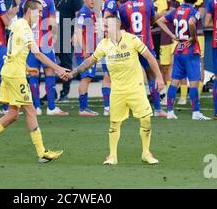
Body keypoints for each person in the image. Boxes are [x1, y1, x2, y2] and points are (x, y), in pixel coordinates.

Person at [0, 0, 71, 164]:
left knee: (12, 114)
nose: (40, 14)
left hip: (11, 71)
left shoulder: (18, 25)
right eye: (38, 11)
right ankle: (42, 152)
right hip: (15, 75)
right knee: (31, 111)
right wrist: (58, 68)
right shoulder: (24, 27)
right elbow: (37, 53)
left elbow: (14, 51)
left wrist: (26, 67)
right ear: (29, 11)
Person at [69, 15, 164, 165]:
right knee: (114, 123)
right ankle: (112, 156)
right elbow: (89, 61)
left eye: (107, 26)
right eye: (104, 26)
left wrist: (159, 77)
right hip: (117, 90)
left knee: (146, 119)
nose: (104, 29)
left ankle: (146, 153)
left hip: (136, 88)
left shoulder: (132, 39)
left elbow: (150, 57)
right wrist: (73, 73)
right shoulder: (104, 44)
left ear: (116, 26)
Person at [157, 0, 211, 121]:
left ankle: (170, 111)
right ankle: (196, 112)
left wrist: (171, 35)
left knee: (174, 81)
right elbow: (192, 22)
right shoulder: (195, 11)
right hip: (191, 50)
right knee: (193, 82)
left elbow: (159, 21)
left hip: (179, 49)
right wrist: (193, 37)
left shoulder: (176, 11)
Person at [19, 0, 68, 116]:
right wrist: (54, 37)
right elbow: (52, 22)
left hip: (30, 42)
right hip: (45, 42)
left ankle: (36, 107)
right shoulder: (48, 1)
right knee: (50, 72)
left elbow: (21, 22)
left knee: (33, 74)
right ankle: (51, 107)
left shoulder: (25, 2)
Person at [120, 0, 167, 117]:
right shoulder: (147, 3)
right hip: (146, 45)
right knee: (151, 75)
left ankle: (131, 108)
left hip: (131, 45)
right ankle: (157, 109)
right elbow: (153, 20)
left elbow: (124, 26)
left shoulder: (123, 7)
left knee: (130, 77)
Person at [48, 0, 84, 102]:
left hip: (67, 32)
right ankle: (50, 92)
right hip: (52, 34)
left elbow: (78, 15)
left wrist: (75, 33)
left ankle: (65, 92)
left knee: (67, 64)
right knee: (50, 64)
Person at [173, 0, 207, 103]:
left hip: (197, 32)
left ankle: (196, 95)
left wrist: (196, 16)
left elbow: (203, 9)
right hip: (181, 35)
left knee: (200, 61)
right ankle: (182, 95)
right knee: (180, 63)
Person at [73, 0, 100, 116]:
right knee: (86, 78)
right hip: (86, 51)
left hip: (90, 49)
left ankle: (84, 107)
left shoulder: (90, 12)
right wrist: (84, 49)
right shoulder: (84, 13)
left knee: (87, 78)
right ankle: (83, 108)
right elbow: (78, 30)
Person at [100, 0, 125, 116]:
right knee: (109, 75)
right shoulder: (111, 3)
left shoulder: (112, 3)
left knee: (109, 74)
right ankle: (108, 107)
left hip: (108, 41)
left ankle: (108, 106)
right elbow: (106, 19)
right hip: (111, 42)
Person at [156, 0, 179, 98]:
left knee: (172, 66)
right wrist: (163, 13)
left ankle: (171, 95)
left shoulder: (179, 2)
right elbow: (153, 18)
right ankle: (165, 94)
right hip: (164, 38)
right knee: (164, 67)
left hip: (176, 38)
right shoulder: (159, 2)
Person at [141, 0, 165, 68]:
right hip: (145, 32)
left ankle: (158, 80)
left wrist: (152, 19)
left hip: (157, 32)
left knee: (157, 58)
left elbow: (162, 13)